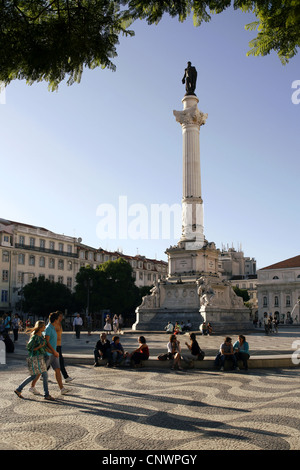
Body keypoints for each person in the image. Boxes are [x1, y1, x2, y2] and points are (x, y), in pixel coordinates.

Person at [14, 320, 55, 401]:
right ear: (40, 327)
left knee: (34, 376)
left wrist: (53, 352)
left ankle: (19, 389)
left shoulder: (41, 336)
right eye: (43, 326)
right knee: (42, 376)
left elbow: (44, 346)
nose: (44, 327)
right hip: (36, 358)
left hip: (41, 358)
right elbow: (29, 347)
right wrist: (39, 346)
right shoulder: (35, 337)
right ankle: (46, 394)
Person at [32, 311, 69, 395]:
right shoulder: (48, 328)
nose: (60, 318)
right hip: (48, 354)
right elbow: (47, 342)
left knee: (57, 370)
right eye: (59, 318)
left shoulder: (52, 327)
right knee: (41, 371)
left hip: (53, 353)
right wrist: (54, 351)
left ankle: (62, 388)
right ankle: (32, 386)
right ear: (55, 319)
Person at [55, 311, 73, 382]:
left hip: (58, 345)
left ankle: (42, 375)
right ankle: (66, 377)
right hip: (55, 345)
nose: (62, 317)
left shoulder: (59, 324)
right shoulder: (54, 324)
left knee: (50, 362)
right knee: (61, 361)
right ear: (57, 316)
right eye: (60, 316)